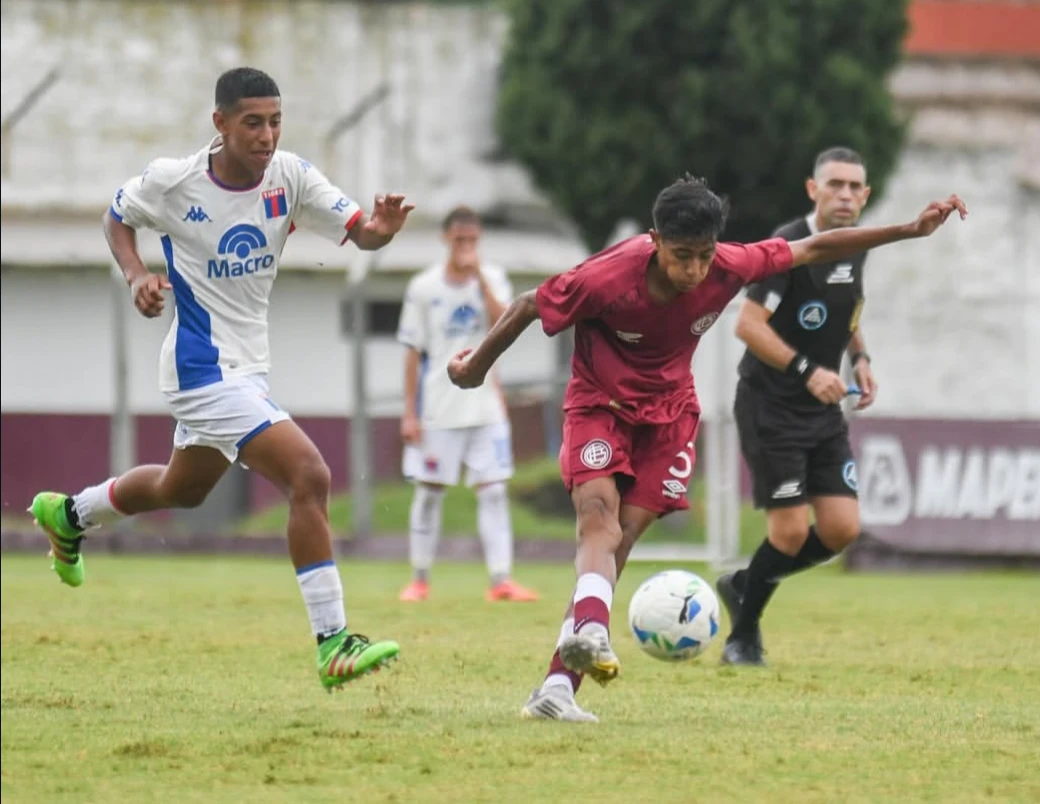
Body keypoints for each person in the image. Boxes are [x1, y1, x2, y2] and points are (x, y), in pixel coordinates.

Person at [447, 174, 967, 722]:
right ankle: (592, 630)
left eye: (702, 255)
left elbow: (813, 246)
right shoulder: (608, 277)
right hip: (599, 407)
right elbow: (530, 303)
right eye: (680, 256)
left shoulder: (729, 265)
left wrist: (910, 229)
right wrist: (475, 367)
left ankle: (557, 687)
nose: (694, 270)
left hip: (670, 420)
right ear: (655, 240)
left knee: (618, 541)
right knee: (598, 521)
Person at [27, 67, 414, 693]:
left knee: (183, 489)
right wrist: (136, 277)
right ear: (221, 124)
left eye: (275, 121)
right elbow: (116, 216)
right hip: (199, 369)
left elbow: (361, 234)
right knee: (309, 475)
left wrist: (383, 230)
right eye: (252, 122)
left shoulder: (290, 176)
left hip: (247, 368)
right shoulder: (174, 182)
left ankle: (70, 514)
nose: (266, 135)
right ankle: (333, 641)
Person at [716, 146, 878, 667]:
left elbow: (848, 309)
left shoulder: (856, 246)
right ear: (814, 189)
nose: (846, 194)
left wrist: (860, 358)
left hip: (821, 414)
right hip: (770, 407)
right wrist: (809, 372)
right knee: (786, 533)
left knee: (841, 530)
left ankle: (745, 582)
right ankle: (742, 638)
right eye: (836, 184)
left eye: (855, 186)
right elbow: (747, 326)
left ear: (866, 195)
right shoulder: (787, 246)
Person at [395, 206, 539, 603]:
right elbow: (412, 352)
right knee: (429, 492)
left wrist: (477, 278)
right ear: (446, 239)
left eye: (473, 241)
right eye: (460, 240)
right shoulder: (423, 287)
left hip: (486, 406)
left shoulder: (493, 279)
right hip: (438, 407)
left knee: (493, 492)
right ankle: (419, 579)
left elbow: (504, 323)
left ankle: (501, 580)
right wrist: (409, 412)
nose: (466, 247)